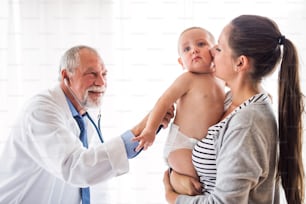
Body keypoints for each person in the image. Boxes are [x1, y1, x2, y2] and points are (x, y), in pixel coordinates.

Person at [0, 45, 174, 204]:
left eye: (104, 74)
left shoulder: (84, 112)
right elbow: (77, 168)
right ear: (66, 76)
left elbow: (97, 168)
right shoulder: (40, 111)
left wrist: (149, 127)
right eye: (92, 74)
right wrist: (140, 128)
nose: (101, 83)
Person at [163, 15, 305, 204]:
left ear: (240, 63)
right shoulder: (228, 102)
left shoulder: (247, 124)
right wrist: (175, 177)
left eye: (219, 48)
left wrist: (172, 196)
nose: (211, 51)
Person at [133, 27, 225, 181]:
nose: (194, 50)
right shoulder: (187, 79)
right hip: (182, 145)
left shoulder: (221, 78)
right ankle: (176, 180)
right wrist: (150, 130)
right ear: (181, 62)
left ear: (214, 51)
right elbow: (163, 102)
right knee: (200, 183)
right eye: (186, 49)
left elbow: (240, 88)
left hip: (206, 147)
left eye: (201, 44)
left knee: (211, 178)